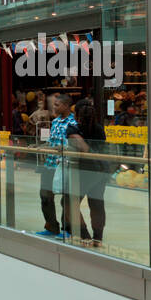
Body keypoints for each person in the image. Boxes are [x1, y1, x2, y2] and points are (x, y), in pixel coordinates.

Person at [37, 92, 81, 239]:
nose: (54, 107)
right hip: (50, 164)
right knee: (45, 195)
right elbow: (52, 141)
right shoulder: (55, 122)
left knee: (66, 199)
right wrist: (41, 146)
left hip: (65, 165)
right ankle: (51, 226)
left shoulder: (73, 122)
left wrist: (61, 149)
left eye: (57, 105)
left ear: (66, 106)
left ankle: (67, 229)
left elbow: (74, 145)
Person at [72, 96, 107, 247]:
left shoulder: (74, 129)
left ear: (77, 115)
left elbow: (77, 144)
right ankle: (98, 239)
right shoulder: (99, 128)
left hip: (83, 171)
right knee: (97, 203)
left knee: (69, 202)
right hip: (100, 170)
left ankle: (84, 234)